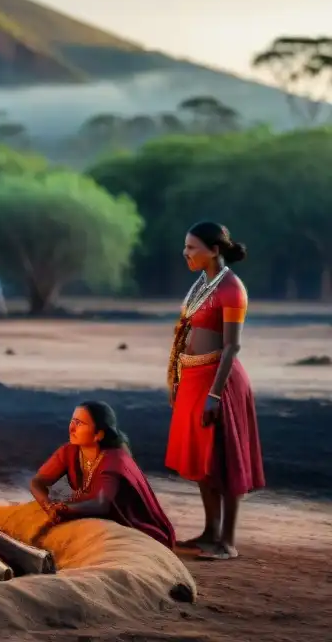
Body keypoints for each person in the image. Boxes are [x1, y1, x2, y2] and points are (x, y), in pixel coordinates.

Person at [165, 221, 265, 560]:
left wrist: (215, 395)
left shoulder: (232, 289)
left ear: (215, 250)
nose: (186, 253)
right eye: (186, 246)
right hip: (193, 378)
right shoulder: (201, 285)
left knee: (224, 461)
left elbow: (231, 347)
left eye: (192, 248)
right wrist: (180, 380)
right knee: (201, 462)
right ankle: (210, 532)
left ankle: (227, 541)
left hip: (219, 383)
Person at [27, 401, 176, 548]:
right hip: (97, 517)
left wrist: (65, 509)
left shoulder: (115, 459)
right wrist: (49, 507)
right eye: (72, 421)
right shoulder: (70, 451)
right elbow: (37, 482)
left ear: (98, 434)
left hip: (133, 527)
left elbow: (101, 504)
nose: (71, 428)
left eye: (79, 423)